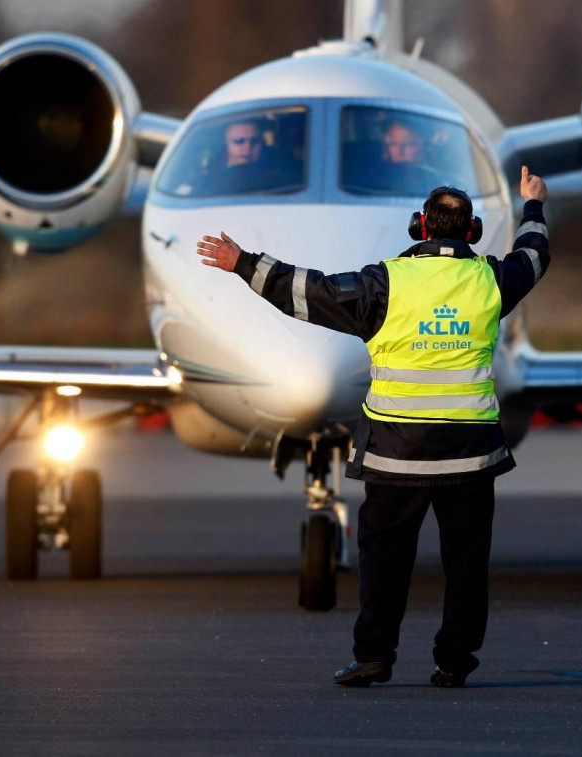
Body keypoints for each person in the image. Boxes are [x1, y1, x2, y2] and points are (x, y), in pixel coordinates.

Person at [195, 166, 551, 689]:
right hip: (470, 454)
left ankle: (374, 657)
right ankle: (454, 662)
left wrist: (243, 263)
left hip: (397, 453)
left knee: (384, 561)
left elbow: (308, 293)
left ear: (420, 228)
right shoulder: (492, 282)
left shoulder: (384, 283)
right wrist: (533, 205)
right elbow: (535, 257)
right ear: (471, 232)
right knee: (466, 566)